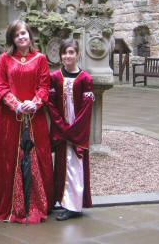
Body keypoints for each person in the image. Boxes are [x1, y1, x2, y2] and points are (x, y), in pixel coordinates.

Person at [0, 20, 54, 224]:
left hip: (35, 116)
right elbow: (2, 87)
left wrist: (35, 102)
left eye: (24, 33)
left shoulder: (40, 59)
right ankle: (10, 205)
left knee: (35, 158)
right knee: (9, 158)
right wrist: (17, 104)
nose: (21, 37)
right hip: (11, 118)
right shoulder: (5, 59)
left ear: (30, 36)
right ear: (12, 39)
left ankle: (36, 204)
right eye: (16, 35)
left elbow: (44, 85)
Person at [48, 39, 94, 221]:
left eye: (71, 52)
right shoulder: (55, 78)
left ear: (78, 54)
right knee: (61, 166)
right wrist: (61, 126)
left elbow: (85, 110)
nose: (68, 56)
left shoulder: (86, 79)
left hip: (76, 133)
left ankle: (74, 206)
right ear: (60, 55)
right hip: (61, 129)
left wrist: (73, 132)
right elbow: (51, 104)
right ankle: (63, 201)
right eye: (65, 53)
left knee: (75, 166)